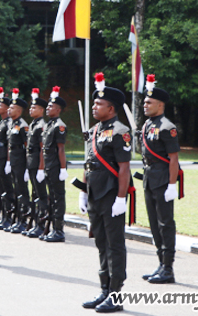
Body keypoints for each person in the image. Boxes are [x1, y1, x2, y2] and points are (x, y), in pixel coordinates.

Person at [80, 73, 131, 313]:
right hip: (95, 194)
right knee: (101, 242)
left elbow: (123, 168)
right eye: (93, 103)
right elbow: (87, 163)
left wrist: (121, 198)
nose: (94, 106)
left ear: (111, 108)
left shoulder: (120, 131)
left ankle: (116, 293)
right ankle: (104, 289)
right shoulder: (93, 131)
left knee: (114, 245)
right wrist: (83, 192)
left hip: (111, 195)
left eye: (98, 103)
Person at [139, 74, 181, 284]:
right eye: (144, 101)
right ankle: (160, 263)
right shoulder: (147, 125)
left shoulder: (167, 127)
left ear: (160, 104)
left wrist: (172, 185)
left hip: (163, 179)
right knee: (154, 224)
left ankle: (168, 268)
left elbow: (173, 159)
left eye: (149, 102)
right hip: (149, 178)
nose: (144, 105)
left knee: (165, 223)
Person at [40, 87, 68, 242]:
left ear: (58, 110)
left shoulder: (59, 126)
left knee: (58, 198)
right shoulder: (49, 125)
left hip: (56, 167)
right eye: (48, 106)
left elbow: (61, 149)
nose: (48, 108)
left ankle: (59, 230)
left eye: (51, 106)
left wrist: (63, 169)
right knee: (51, 198)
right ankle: (50, 227)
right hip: (49, 167)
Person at [25, 88, 48, 238]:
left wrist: (41, 168)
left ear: (41, 110)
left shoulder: (41, 126)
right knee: (35, 194)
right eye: (30, 107)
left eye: (34, 107)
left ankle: (41, 224)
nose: (30, 109)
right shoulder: (33, 124)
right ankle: (35, 222)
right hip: (31, 163)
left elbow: (42, 149)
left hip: (37, 163)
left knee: (41, 195)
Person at [6, 89, 29, 234]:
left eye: (12, 107)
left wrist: (26, 166)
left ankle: (24, 220)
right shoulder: (11, 123)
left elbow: (27, 146)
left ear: (19, 110)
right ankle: (17, 218)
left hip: (21, 161)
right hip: (13, 160)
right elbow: (10, 145)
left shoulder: (22, 125)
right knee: (15, 190)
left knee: (22, 191)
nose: (9, 109)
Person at [0, 88, 14, 230]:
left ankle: (9, 218)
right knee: (0, 190)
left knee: (8, 190)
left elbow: (9, 145)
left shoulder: (9, 123)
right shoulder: (1, 122)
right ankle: (3, 216)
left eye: (1, 105)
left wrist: (8, 161)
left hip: (3, 160)